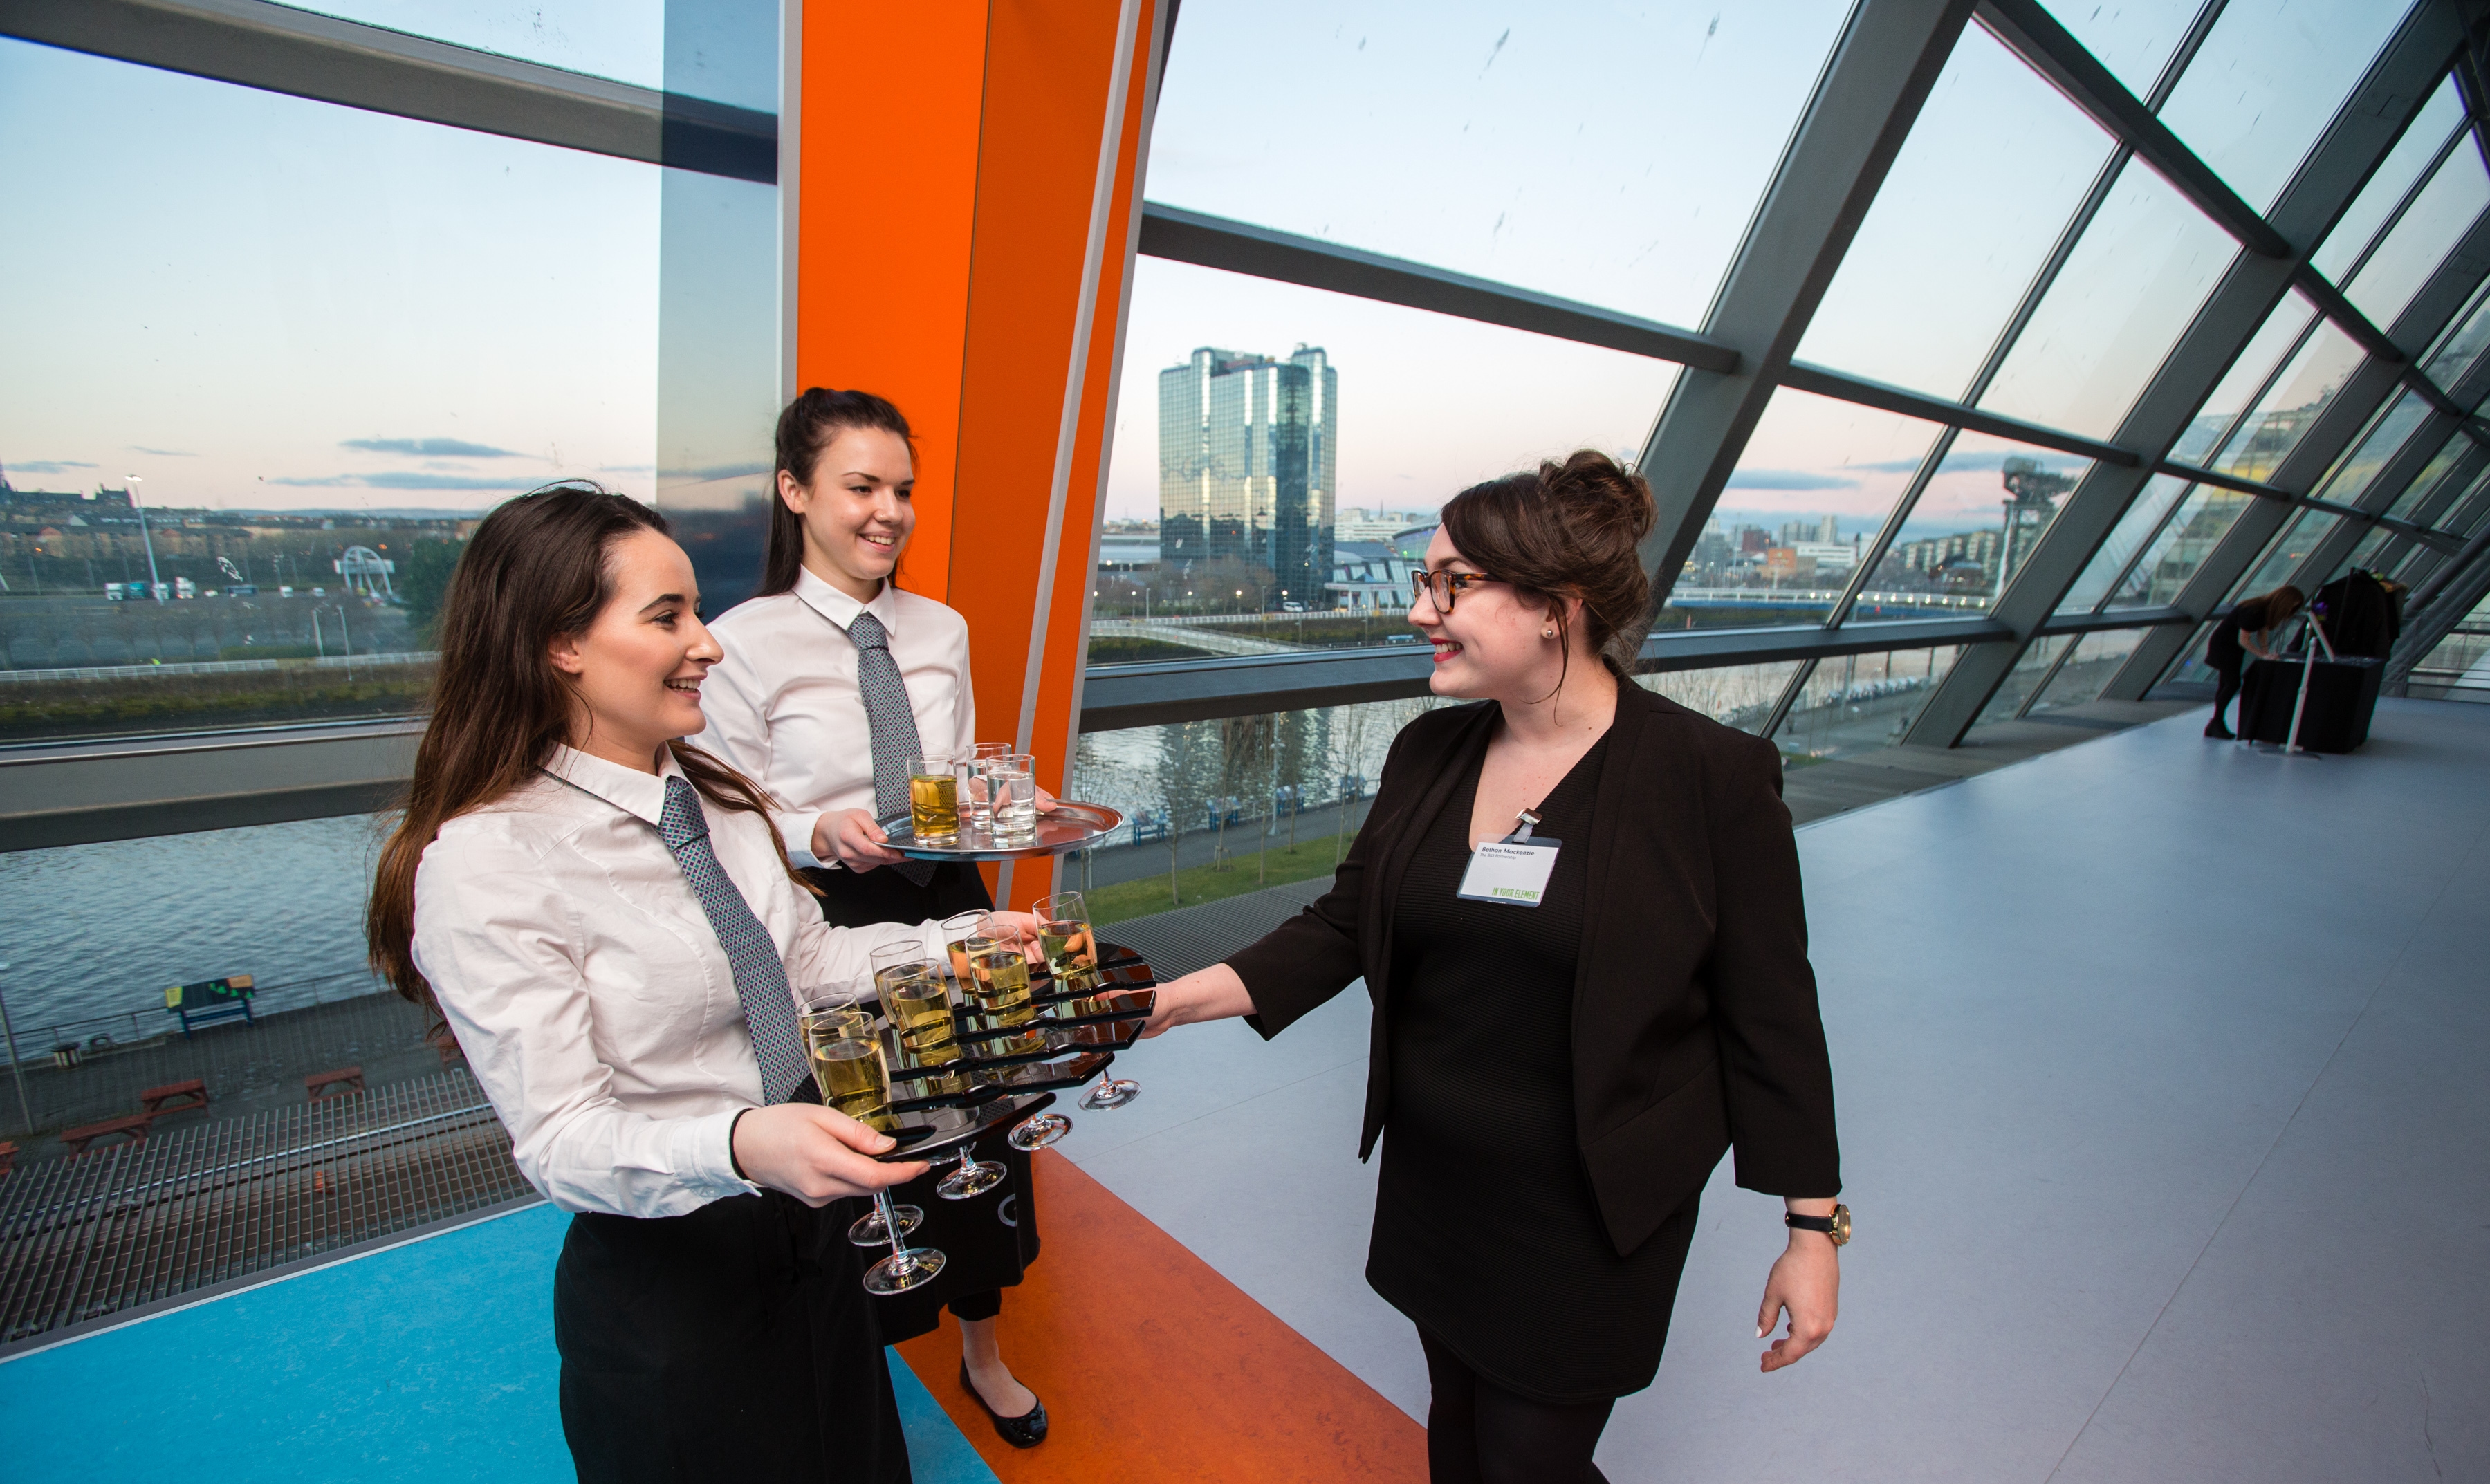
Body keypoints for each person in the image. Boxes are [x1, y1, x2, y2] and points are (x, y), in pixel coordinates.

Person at [1142, 451, 1847, 1484]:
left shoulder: (1709, 779)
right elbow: (1343, 925)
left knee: (1529, 1459)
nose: (1422, 609)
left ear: (1557, 607)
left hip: (1590, 1206)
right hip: (1443, 1179)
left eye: (1452, 584)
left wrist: (1812, 1226)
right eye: (1426, 581)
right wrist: (1161, 1003)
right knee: (1461, 1428)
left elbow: (1774, 1010)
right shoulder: (1428, 754)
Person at [366, 482, 999, 1483]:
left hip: (817, 1239)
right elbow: (562, 1139)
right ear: (558, 643)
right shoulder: (488, 861)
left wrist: (970, 937)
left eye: (697, 610)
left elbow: (813, 965)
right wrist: (745, 1140)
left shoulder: (717, 801)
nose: (707, 642)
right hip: (674, 1294)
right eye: (668, 617)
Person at [692, 388, 1049, 1447]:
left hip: (946, 894)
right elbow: (731, 811)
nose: (887, 510)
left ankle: (984, 1349)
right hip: (825, 910)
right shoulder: (739, 643)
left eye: (901, 489)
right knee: (868, 1135)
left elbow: (961, 777)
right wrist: (818, 831)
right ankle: (867, 1359)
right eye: (861, 487)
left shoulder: (943, 628)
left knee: (985, 1125)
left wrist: (994, 815)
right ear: (796, 493)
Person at [2203, 584, 2305, 739]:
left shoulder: (2262, 610)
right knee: (2232, 683)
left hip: (2231, 647)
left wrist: (2266, 653)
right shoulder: (2254, 611)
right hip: (2224, 646)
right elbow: (2244, 640)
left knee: (2226, 683)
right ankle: (2216, 722)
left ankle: (2216, 723)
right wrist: (2263, 655)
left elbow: (2261, 634)